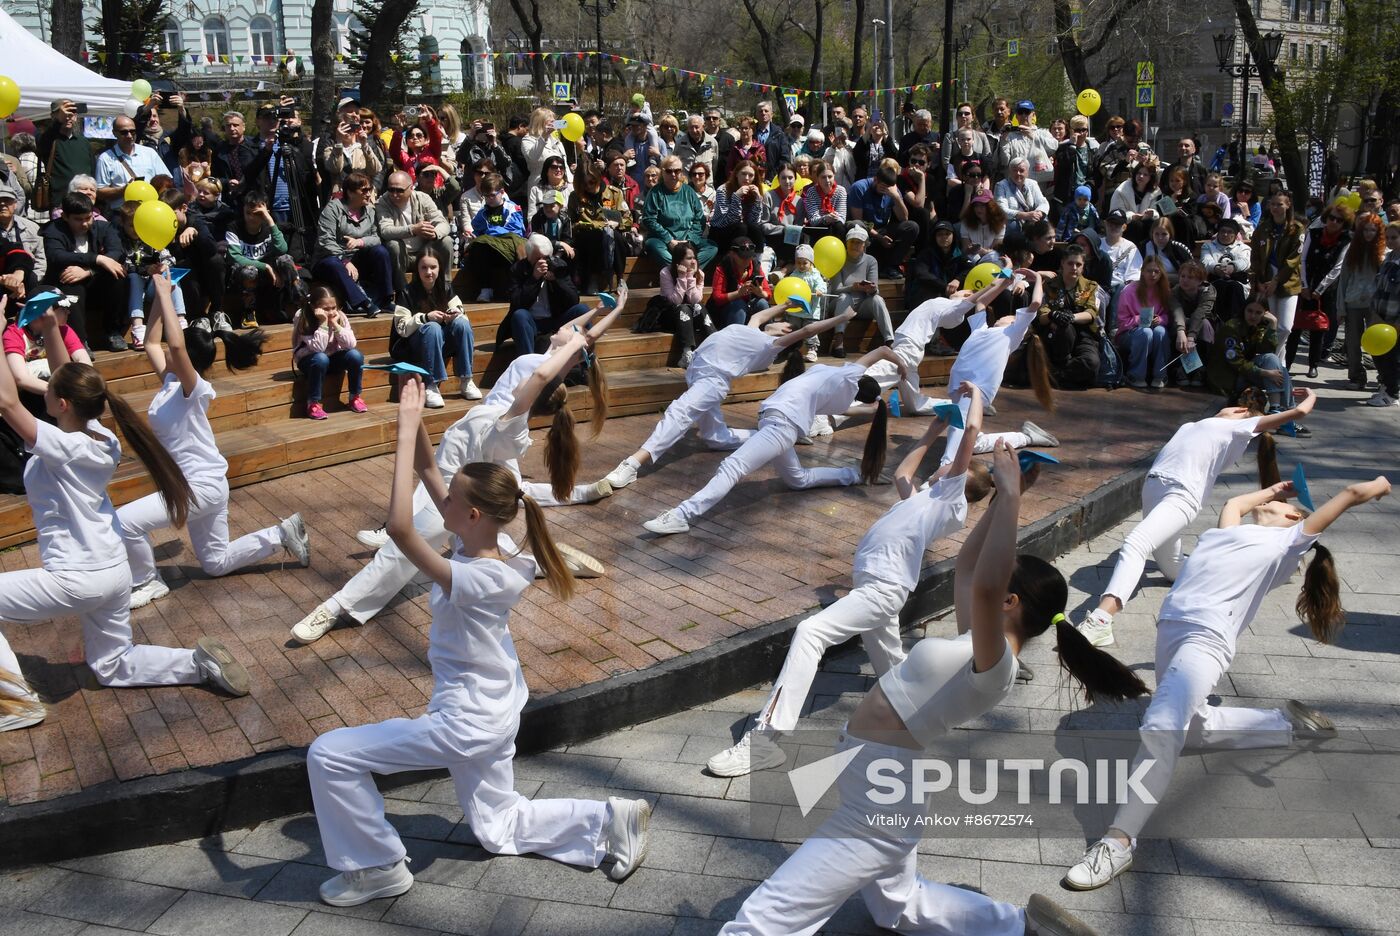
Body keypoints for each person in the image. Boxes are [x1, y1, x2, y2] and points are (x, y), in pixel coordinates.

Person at [718, 442, 1130, 936]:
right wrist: (999, 498)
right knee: (899, 906)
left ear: (1010, 600)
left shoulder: (996, 660)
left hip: (879, 800)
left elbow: (982, 582)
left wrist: (1016, 497)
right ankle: (1022, 928)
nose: (986, 577)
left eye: (998, 581)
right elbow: (968, 570)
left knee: (761, 922)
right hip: (880, 779)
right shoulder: (978, 640)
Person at [305, 381, 650, 907]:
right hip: (495, 706)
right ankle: (610, 821)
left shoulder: (477, 578)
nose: (439, 496)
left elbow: (399, 527)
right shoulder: (497, 545)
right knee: (497, 826)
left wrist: (399, 430)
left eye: (450, 496)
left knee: (330, 755)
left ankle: (377, 868)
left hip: (467, 721)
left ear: (471, 516)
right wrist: (416, 418)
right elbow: (427, 470)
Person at [1064, 475, 1390, 892]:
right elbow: (1235, 503)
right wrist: (1273, 492)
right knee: (1192, 727)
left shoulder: (1288, 543)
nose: (1266, 499)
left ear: (1293, 517)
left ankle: (1119, 842)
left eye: (1278, 502)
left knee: (1162, 728)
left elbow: (1350, 493)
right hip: (1171, 633)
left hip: (1206, 641)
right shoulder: (1231, 533)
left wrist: (1379, 484)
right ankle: (1285, 724)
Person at [707, 383, 995, 777]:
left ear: (959, 478)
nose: (943, 465)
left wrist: (975, 394)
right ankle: (939, 697)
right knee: (895, 673)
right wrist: (931, 432)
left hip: (884, 588)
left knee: (811, 632)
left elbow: (972, 436)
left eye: (950, 465)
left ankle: (766, 741)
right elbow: (905, 472)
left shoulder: (951, 500)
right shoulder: (923, 499)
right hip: (874, 588)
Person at [0, 300, 250, 734]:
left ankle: (15, 705)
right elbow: (65, 382)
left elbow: (7, 403)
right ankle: (196, 663)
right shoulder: (101, 436)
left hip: (77, 578)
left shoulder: (65, 446)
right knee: (112, 664)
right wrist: (53, 329)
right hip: (114, 572)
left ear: (60, 404)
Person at [292, 321, 617, 644]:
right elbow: (430, 466)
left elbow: (542, 376)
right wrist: (412, 410)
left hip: (460, 494)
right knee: (469, 551)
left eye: (531, 382)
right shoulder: (502, 412)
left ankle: (335, 607)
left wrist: (581, 342)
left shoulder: (512, 424)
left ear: (533, 394)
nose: (525, 380)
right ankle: (541, 562)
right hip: (452, 482)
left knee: (399, 554)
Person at [116, 272, 309, 609]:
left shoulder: (194, 390)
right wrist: (160, 296)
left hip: (198, 487)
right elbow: (151, 342)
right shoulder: (172, 382)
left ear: (186, 359)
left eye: (176, 351)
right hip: (206, 485)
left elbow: (175, 344)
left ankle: (147, 582)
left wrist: (165, 295)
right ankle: (282, 534)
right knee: (215, 562)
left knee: (124, 523)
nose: (167, 350)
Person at [1076, 387, 1315, 646]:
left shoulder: (1237, 428)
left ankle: (1102, 619)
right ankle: (1234, 569)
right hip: (1156, 490)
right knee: (1173, 569)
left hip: (1180, 495)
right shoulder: (1206, 425)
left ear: (1241, 410)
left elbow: (1300, 411)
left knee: (1136, 543)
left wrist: (1310, 395)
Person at [641, 347, 901, 536]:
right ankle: (856, 475)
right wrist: (890, 389)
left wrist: (898, 372)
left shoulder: (836, 374)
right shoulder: (847, 383)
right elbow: (854, 401)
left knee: (732, 467)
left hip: (781, 424)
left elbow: (880, 352)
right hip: (778, 422)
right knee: (798, 479)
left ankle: (681, 515)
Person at [604, 304, 851, 491]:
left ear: (784, 330)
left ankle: (633, 465)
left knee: (678, 413)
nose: (773, 319)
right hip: (698, 373)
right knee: (715, 437)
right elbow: (759, 316)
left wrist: (842, 317)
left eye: (781, 320)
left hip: (712, 380)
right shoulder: (752, 330)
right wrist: (786, 303)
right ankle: (772, 438)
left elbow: (807, 330)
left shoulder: (769, 344)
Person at [392, 252, 480, 406]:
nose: (428, 272)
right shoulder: (407, 292)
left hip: (439, 343)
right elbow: (402, 328)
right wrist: (425, 317)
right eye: (424, 267)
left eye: (433, 267)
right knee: (432, 327)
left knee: (462, 324)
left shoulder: (446, 288)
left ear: (440, 269)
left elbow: (461, 312)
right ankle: (431, 385)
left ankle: (467, 380)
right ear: (417, 270)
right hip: (414, 345)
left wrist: (455, 315)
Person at [41, 192, 126, 351]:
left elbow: (117, 252)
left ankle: (113, 332)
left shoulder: (103, 227)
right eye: (78, 219)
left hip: (95, 286)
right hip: (67, 288)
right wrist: (97, 259)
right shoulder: (54, 230)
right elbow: (56, 256)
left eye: (88, 218)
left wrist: (89, 271)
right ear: (65, 217)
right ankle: (79, 341)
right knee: (71, 279)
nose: (85, 224)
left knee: (117, 275)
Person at [1007, 247, 1101, 390]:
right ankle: (1058, 371)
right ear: (1062, 263)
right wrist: (1053, 315)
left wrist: (1071, 317)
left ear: (1083, 266)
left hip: (1082, 334)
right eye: (1070, 263)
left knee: (1091, 363)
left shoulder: (1090, 286)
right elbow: (1041, 315)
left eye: (1078, 264)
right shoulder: (1050, 285)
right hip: (1053, 334)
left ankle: (1055, 375)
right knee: (1063, 328)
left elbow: (1091, 313)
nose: (1074, 268)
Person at [313, 171, 396, 318]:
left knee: (380, 251)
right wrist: (344, 260)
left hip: (357, 257)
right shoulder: (332, 209)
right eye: (364, 190)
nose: (368, 193)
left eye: (370, 189)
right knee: (333, 262)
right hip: (329, 260)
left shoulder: (370, 211)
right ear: (350, 193)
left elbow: (376, 237)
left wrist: (360, 241)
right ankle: (364, 304)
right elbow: (326, 241)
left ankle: (386, 300)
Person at [500, 234, 589, 365]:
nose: (544, 262)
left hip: (556, 319)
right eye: (538, 259)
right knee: (519, 316)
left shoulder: (559, 266)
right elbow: (517, 304)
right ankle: (527, 368)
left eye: (546, 258)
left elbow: (574, 299)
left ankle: (588, 364)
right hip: (532, 322)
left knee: (582, 310)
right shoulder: (518, 269)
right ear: (529, 257)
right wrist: (534, 279)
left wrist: (557, 281)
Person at [226, 189, 304, 328]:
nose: (251, 217)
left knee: (286, 259)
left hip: (269, 276)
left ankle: (300, 306)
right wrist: (266, 267)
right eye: (248, 213)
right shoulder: (234, 227)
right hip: (244, 275)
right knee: (249, 271)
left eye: (256, 214)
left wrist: (270, 221)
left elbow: (282, 249)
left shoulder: (269, 227)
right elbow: (235, 257)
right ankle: (248, 313)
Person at [1289, 203, 1351, 378]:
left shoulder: (1345, 240)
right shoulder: (1314, 233)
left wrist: (1320, 289)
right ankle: (1287, 362)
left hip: (1326, 289)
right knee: (1296, 326)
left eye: (1339, 220)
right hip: (1305, 284)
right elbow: (1302, 260)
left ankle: (1313, 364)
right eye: (1331, 218)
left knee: (1318, 327)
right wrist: (1305, 285)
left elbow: (1338, 267)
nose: (1334, 222)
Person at [293, 285, 367, 421]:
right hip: (311, 361)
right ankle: (313, 403)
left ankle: (354, 397)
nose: (331, 312)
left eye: (333, 307)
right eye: (326, 309)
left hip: (332, 359)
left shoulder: (339, 316)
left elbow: (351, 344)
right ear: (314, 307)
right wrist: (323, 323)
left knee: (356, 355)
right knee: (321, 358)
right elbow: (318, 348)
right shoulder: (303, 316)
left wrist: (336, 325)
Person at [1251, 190, 1305, 360]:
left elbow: (1293, 259)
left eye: (1280, 204)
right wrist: (1258, 281)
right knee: (1271, 326)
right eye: (1273, 204)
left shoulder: (1296, 228)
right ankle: (1279, 367)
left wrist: (1276, 280)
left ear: (1288, 205)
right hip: (1266, 280)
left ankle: (1268, 357)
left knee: (1285, 327)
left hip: (1288, 282)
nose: (1275, 208)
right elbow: (1256, 257)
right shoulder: (1263, 228)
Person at [1338, 213, 1386, 392]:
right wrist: (1340, 308)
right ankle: (1356, 376)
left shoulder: (1384, 251)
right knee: (1352, 343)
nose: (1368, 233)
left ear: (1378, 231)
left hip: (1375, 306)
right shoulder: (1352, 249)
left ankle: (1383, 377)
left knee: (1377, 343)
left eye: (1372, 230)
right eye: (1365, 230)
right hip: (1353, 302)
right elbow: (1343, 279)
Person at [568, 162, 633, 295]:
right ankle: (593, 278)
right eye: (584, 184)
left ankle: (620, 278)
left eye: (591, 182)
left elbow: (628, 219)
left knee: (616, 237)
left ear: (597, 178)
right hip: (587, 236)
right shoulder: (575, 197)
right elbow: (570, 224)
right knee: (594, 237)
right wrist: (587, 225)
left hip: (611, 232)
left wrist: (617, 223)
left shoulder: (614, 193)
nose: (588, 186)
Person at [377, 170, 451, 284]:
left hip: (424, 252)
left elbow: (443, 224)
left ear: (411, 188)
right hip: (402, 256)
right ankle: (400, 290)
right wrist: (413, 229)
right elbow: (385, 231)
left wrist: (435, 233)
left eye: (399, 190)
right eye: (391, 190)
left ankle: (446, 285)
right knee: (394, 245)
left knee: (446, 241)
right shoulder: (383, 202)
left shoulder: (423, 198)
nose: (394, 194)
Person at [827, 226, 893, 356]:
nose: (855, 245)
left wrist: (871, 289)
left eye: (859, 242)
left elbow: (875, 290)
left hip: (863, 304)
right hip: (840, 304)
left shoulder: (871, 261)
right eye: (852, 241)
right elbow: (836, 289)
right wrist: (853, 287)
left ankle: (890, 340)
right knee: (844, 297)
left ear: (865, 245)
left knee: (878, 300)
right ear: (846, 243)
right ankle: (838, 340)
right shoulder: (839, 259)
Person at [461, 172, 526, 302]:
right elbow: (477, 230)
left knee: (485, 242)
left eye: (492, 195)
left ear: (502, 192)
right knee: (478, 246)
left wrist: (489, 234)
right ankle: (486, 289)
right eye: (486, 196)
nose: (489, 199)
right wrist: (472, 236)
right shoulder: (483, 212)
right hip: (490, 250)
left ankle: (513, 288)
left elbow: (516, 231)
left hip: (509, 248)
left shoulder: (513, 208)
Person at [642, 155, 716, 269]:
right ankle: (676, 270)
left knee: (712, 247)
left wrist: (689, 240)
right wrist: (669, 240)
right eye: (669, 171)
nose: (673, 174)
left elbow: (699, 218)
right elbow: (649, 219)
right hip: (664, 241)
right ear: (663, 172)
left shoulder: (689, 191)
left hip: (688, 240)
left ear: (681, 172)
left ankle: (689, 270)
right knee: (651, 244)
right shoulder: (655, 193)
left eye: (677, 171)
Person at [1114, 257, 1178, 389]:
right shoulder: (1128, 290)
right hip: (1130, 332)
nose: (1153, 275)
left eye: (1156, 271)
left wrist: (1159, 320)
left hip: (1156, 330)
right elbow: (1122, 321)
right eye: (1149, 271)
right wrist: (1140, 319)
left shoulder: (1164, 291)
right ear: (1142, 272)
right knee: (1145, 332)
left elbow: (1168, 316)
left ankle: (1160, 375)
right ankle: (1136, 375)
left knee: (1161, 332)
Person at [848, 165, 918, 279]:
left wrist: (896, 197)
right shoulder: (859, 187)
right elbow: (858, 220)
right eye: (883, 187)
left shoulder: (892, 191)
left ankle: (892, 266)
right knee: (858, 226)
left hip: (882, 230)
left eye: (888, 188)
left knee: (912, 227)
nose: (885, 190)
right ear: (875, 179)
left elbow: (904, 218)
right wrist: (879, 237)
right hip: (864, 233)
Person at [92, 116, 168, 214]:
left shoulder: (150, 153)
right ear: (114, 133)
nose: (129, 135)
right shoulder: (105, 158)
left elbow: (166, 180)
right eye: (124, 132)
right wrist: (124, 190)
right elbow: (100, 192)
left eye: (132, 131)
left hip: (151, 212)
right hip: (122, 215)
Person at [655, 242, 708, 367]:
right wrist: (681, 278)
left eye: (694, 257)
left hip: (690, 318)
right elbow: (675, 301)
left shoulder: (699, 274)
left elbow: (695, 300)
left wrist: (690, 276)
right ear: (679, 260)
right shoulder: (665, 272)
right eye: (689, 258)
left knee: (700, 307)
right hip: (670, 316)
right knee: (683, 307)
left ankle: (715, 344)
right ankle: (687, 353)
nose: (693, 262)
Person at [36, 100, 95, 209]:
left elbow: (93, 171)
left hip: (85, 203)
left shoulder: (83, 142)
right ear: (53, 116)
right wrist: (59, 121)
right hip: (60, 204)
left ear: (76, 116)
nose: (68, 117)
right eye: (63, 114)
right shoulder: (49, 140)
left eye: (72, 113)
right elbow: (44, 142)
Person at [1365, 222, 1400, 407]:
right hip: (1380, 317)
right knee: (1379, 355)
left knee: (1392, 359)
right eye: (1388, 237)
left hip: (1395, 321)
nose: (1390, 241)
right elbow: (1378, 287)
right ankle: (1385, 388)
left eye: (1394, 237)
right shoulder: (1388, 259)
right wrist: (1374, 312)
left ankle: (1393, 394)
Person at [709, 237, 772, 328]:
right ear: (732, 254)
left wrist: (760, 293)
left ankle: (765, 336)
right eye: (742, 257)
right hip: (727, 312)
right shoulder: (723, 268)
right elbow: (717, 297)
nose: (747, 260)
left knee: (762, 303)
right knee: (738, 305)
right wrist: (738, 293)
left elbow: (768, 293)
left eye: (749, 257)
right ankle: (736, 339)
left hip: (749, 308)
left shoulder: (755, 266)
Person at [1171, 260, 1216, 387]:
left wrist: (1191, 336)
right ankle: (1181, 368)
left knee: (1205, 324)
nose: (1185, 280)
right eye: (1183, 276)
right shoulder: (1175, 291)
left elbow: (1200, 312)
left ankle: (1200, 368)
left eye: (1190, 277)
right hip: (1183, 322)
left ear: (1199, 280)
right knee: (1178, 325)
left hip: (1201, 323)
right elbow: (1176, 310)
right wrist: (1181, 331)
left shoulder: (1208, 291)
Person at [711, 160, 768, 256]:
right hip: (720, 230)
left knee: (755, 229)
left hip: (742, 230)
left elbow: (754, 222)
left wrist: (758, 200)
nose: (746, 178)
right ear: (736, 174)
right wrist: (736, 197)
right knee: (741, 227)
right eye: (743, 174)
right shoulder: (723, 190)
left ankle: (757, 261)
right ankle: (733, 258)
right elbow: (728, 221)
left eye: (751, 175)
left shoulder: (754, 190)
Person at [0, 185, 44, 303]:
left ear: (15, 204)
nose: (2, 204)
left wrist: (24, 280)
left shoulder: (32, 228)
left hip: (29, 281)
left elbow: (41, 261)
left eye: (7, 201)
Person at [786, 243, 828, 362]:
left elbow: (821, 284)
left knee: (810, 330)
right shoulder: (794, 275)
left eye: (805, 263)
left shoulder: (815, 275)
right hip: (796, 311)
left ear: (811, 263)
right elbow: (790, 286)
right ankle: (794, 349)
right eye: (799, 263)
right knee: (793, 329)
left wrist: (820, 290)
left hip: (810, 311)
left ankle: (812, 349)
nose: (802, 265)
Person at [1110, 161, 1161, 247]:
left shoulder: (1155, 192)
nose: (1141, 176)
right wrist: (1132, 216)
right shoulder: (1122, 190)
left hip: (1145, 226)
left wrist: (1152, 213)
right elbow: (1115, 213)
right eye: (1139, 173)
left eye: (1145, 174)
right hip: (1125, 227)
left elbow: (1156, 212)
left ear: (1151, 177)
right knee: (1136, 225)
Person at [995, 157, 1049, 238]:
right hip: (1013, 221)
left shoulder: (1033, 183)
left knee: (1043, 220)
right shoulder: (1001, 185)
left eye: (1021, 170)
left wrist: (1038, 213)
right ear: (1010, 172)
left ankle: (1041, 249)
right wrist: (1025, 215)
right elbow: (1001, 210)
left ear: (1027, 172)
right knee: (1012, 225)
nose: (1018, 173)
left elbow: (1043, 202)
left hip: (1031, 219)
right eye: (1014, 170)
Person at [800, 160, 848, 243]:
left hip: (836, 226)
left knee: (838, 226)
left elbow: (842, 218)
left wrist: (833, 217)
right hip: (819, 227)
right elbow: (813, 220)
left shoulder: (841, 191)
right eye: (823, 177)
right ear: (818, 178)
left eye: (830, 176)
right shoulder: (811, 192)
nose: (827, 180)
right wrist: (826, 219)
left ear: (834, 176)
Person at [1143, 216, 1193, 286]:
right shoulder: (1144, 246)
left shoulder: (1179, 249)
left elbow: (1191, 275)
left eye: (1164, 234)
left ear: (1170, 234)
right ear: (1152, 234)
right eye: (1156, 234)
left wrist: (1162, 276)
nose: (1160, 238)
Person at [959, 192, 1006, 261]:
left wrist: (985, 252)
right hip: (972, 258)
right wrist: (971, 249)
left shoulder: (1000, 223)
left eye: (982, 205)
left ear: (991, 206)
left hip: (992, 257)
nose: (978, 209)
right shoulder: (966, 222)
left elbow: (997, 249)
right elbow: (965, 248)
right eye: (976, 206)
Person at [673, 114, 719, 181]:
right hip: (687, 185)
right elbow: (675, 164)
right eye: (691, 127)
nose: (694, 130)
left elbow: (714, 165)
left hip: (706, 185)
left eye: (697, 127)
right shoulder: (680, 143)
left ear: (703, 127)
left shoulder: (712, 142)